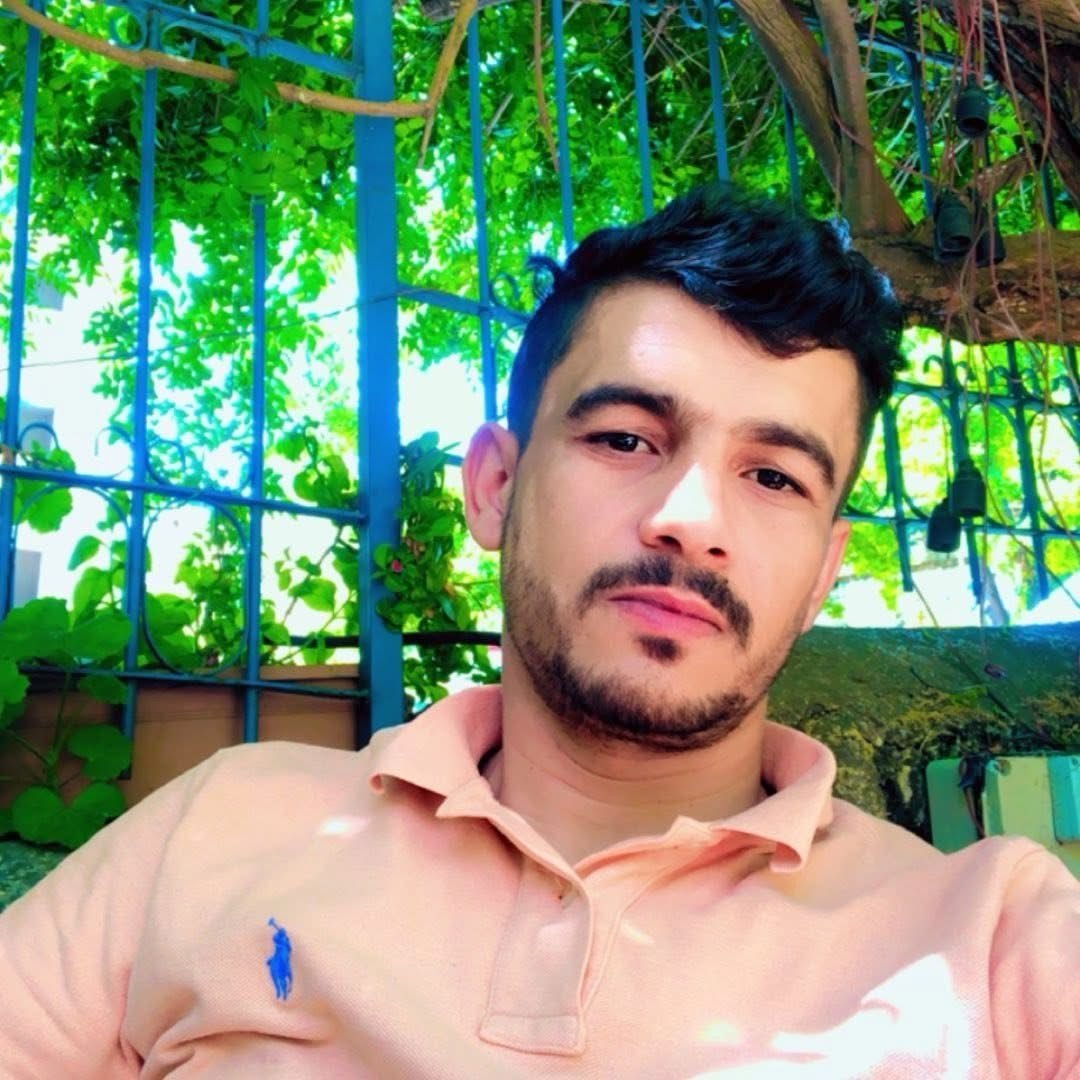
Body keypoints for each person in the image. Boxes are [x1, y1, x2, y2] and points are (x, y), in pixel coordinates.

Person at [0, 186, 1076, 1078]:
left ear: (821, 576)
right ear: (495, 487)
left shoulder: (994, 942)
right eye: (625, 438)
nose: (691, 519)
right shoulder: (220, 829)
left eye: (773, 477)